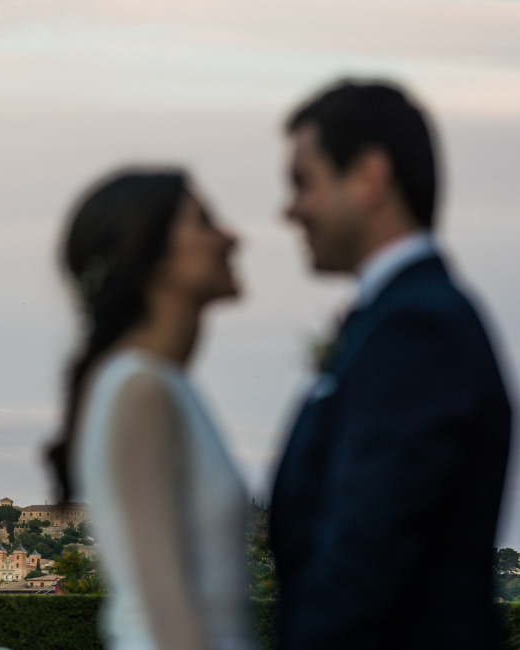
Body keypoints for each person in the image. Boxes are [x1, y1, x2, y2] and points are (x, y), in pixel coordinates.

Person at [270, 79, 513, 649]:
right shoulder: (399, 319)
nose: (290, 209)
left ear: (368, 178)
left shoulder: (416, 329)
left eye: (304, 182)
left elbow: (363, 557)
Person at [48, 169, 254, 650]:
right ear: (153, 255)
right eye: (204, 222)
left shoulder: (157, 385)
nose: (230, 237)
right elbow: (168, 610)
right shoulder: (142, 390)